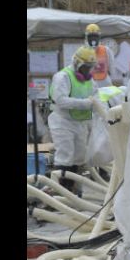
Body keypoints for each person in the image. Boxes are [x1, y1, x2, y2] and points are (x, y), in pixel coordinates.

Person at [48, 46, 99, 192]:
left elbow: (96, 98)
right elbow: (60, 100)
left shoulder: (90, 80)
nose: (87, 71)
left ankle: (72, 188)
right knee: (65, 155)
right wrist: (86, 103)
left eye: (90, 67)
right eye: (85, 67)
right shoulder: (63, 77)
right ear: (76, 63)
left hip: (80, 123)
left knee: (79, 157)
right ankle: (60, 190)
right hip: (62, 121)